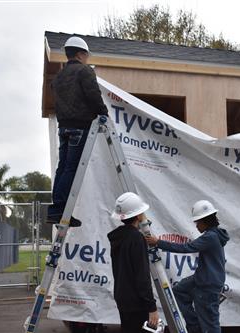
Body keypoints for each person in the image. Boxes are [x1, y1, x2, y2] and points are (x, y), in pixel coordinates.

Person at [47, 36, 109, 227]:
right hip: (80, 127)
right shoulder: (84, 71)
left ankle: (56, 210)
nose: (87, 59)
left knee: (62, 167)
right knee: (71, 170)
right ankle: (62, 212)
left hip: (64, 126)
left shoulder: (59, 77)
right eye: (86, 55)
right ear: (81, 54)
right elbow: (93, 94)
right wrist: (103, 112)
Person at [145, 200, 230, 333]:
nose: (196, 226)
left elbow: (187, 247)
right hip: (204, 279)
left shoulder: (211, 237)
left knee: (210, 324)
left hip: (207, 285)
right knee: (178, 291)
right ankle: (195, 327)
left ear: (205, 221)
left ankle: (197, 327)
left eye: (197, 223)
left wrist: (158, 242)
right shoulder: (216, 234)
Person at [107, 192, 159, 333]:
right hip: (137, 301)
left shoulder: (118, 237)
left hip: (122, 297)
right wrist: (152, 307)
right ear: (138, 215)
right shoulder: (136, 239)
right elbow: (142, 276)